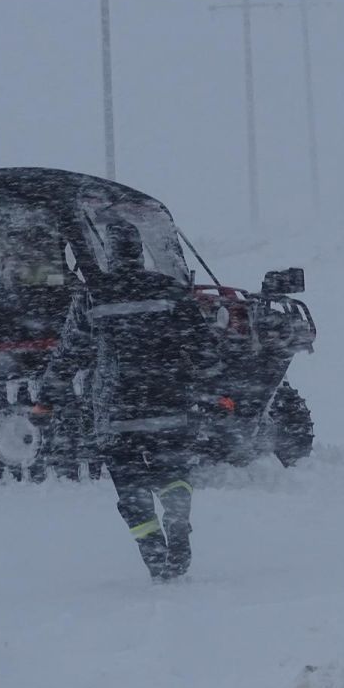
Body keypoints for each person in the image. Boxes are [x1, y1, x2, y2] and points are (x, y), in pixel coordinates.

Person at [60, 220, 223, 581]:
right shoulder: (170, 291)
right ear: (139, 251)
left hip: (116, 411)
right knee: (174, 474)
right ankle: (177, 524)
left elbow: (68, 354)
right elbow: (206, 351)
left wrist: (46, 397)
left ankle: (152, 550)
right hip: (168, 404)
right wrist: (210, 381)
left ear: (110, 254)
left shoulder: (93, 295)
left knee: (130, 484)